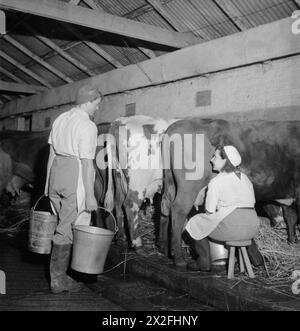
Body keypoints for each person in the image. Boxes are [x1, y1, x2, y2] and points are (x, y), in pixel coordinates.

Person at [44, 84, 102, 293]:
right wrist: (90, 196)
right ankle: (59, 281)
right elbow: (87, 164)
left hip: (57, 171)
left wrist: (47, 185)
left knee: (61, 221)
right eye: (96, 104)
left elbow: (51, 154)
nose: (97, 109)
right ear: (87, 102)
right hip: (73, 172)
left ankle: (63, 275)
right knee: (67, 228)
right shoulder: (87, 125)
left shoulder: (61, 118)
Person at [184, 145, 260, 272]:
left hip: (231, 227)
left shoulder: (216, 181)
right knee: (239, 223)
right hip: (253, 226)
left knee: (196, 222)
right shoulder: (246, 178)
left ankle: (204, 262)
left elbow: (209, 211)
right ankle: (255, 258)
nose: (211, 160)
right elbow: (251, 202)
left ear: (225, 160)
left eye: (215, 156)